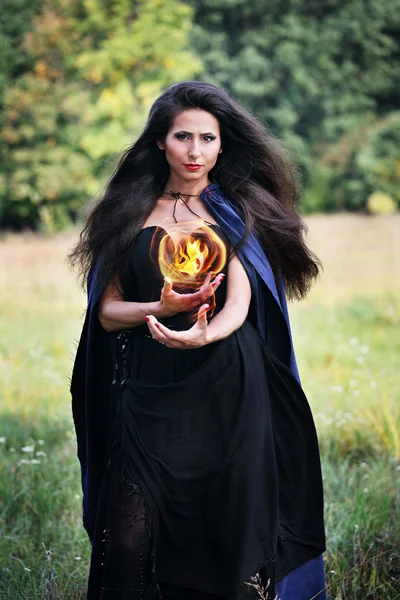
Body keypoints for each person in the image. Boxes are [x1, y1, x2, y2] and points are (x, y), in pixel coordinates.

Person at [68, 81, 327, 600]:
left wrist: (208, 333)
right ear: (159, 143)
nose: (194, 151)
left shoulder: (233, 212)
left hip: (230, 387)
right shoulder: (127, 212)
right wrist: (158, 310)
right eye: (182, 137)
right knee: (125, 541)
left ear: (222, 145)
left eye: (207, 139)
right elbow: (107, 313)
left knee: (226, 536)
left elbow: (242, 300)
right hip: (146, 390)